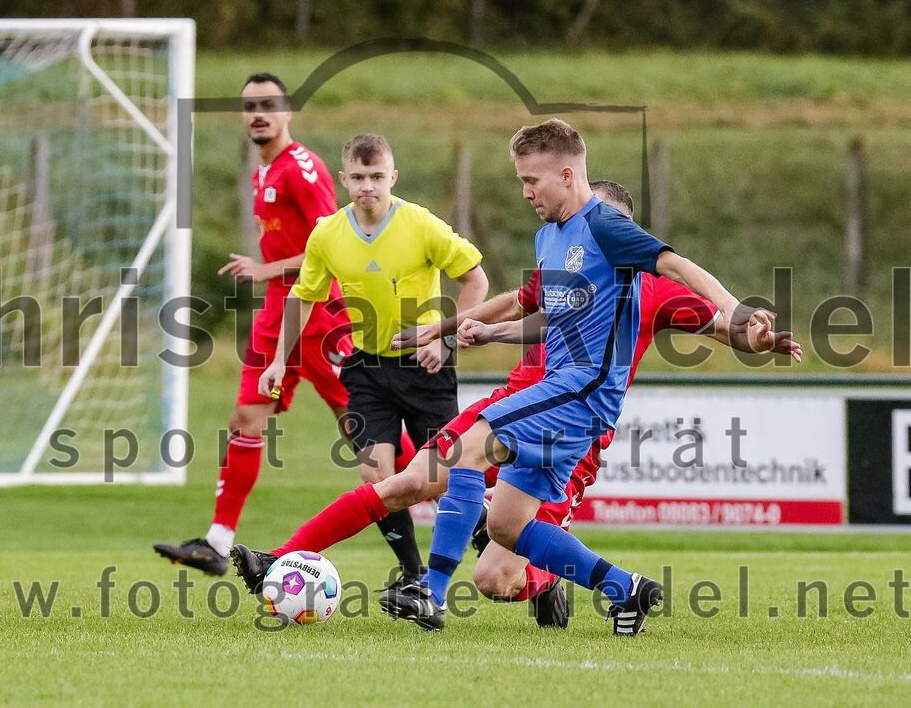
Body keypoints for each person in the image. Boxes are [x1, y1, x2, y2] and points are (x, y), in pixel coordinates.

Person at [229, 180, 799, 628]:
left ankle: (544, 580)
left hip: (572, 429)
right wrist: (449, 331)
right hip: (519, 399)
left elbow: (724, 327)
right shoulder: (564, 254)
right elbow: (516, 306)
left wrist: (760, 337)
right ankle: (279, 562)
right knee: (414, 479)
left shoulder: (648, 283)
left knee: (497, 576)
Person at [379, 118, 777, 634]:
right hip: (564, 397)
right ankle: (625, 589)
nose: (524, 192)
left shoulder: (604, 225)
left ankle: (429, 593)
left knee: (464, 450)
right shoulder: (550, 237)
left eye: (531, 181)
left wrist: (737, 311)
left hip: (580, 391)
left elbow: (677, 266)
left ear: (566, 175)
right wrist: (466, 332)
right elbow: (549, 318)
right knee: (505, 524)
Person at [255, 133, 488, 587]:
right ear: (343, 180)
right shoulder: (327, 233)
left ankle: (491, 526)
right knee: (374, 473)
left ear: (393, 178)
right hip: (366, 367)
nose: (368, 186)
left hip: (425, 368)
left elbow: (475, 281)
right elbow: (303, 297)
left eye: (377, 176)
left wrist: (445, 340)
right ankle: (411, 572)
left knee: (441, 480)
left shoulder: (420, 224)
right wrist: (278, 360)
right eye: (359, 177)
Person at [153, 73, 354, 575]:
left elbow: (331, 244)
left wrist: (267, 268)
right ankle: (217, 544)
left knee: (367, 436)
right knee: (245, 418)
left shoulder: (302, 170)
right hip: (275, 314)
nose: (258, 113)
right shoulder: (262, 169)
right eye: (249, 106)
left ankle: (468, 507)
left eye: (268, 104)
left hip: (316, 313)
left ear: (289, 112)